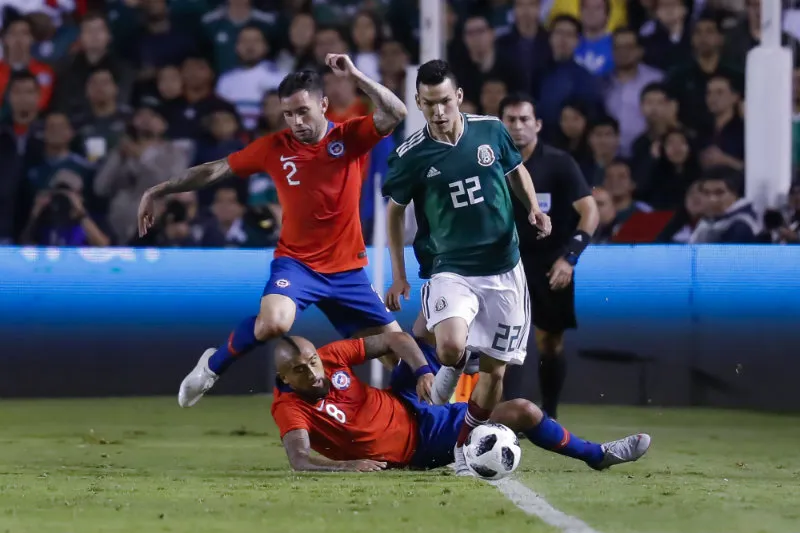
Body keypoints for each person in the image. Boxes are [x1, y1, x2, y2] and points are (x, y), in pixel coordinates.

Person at [136, 55, 408, 408]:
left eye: (303, 111)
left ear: (323, 104)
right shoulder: (275, 148)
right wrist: (159, 190)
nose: (297, 122)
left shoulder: (350, 136)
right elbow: (216, 170)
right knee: (274, 323)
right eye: (289, 114)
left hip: (348, 271)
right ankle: (212, 367)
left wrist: (355, 75)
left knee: (400, 356)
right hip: (297, 265)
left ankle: (423, 423)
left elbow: (396, 112)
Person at [382, 59, 552, 476]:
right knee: (450, 348)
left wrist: (533, 208)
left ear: (458, 97)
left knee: (495, 374)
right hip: (450, 267)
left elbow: (516, 171)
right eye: (428, 104)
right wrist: (399, 274)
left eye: (444, 101)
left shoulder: (491, 130)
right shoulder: (410, 155)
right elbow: (394, 213)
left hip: (504, 269)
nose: (438, 112)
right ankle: (453, 366)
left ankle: (462, 450)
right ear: (418, 103)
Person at [272, 332, 651, 473]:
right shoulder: (289, 408)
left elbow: (393, 340)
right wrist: (349, 465)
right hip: (419, 442)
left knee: (423, 331)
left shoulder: (330, 356)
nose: (313, 372)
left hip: (404, 400)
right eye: (300, 371)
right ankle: (598, 455)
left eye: (313, 362)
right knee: (524, 410)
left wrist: (421, 370)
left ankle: (452, 361)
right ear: (284, 378)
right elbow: (299, 459)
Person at [500, 93, 599, 419]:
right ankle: (508, 418)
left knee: (550, 343)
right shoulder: (490, 164)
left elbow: (590, 212)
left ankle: (550, 414)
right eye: (511, 120)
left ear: (538, 124)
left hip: (550, 262)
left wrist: (570, 257)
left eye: (524, 119)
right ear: (500, 124)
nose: (518, 126)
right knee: (506, 343)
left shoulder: (559, 163)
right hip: (505, 264)